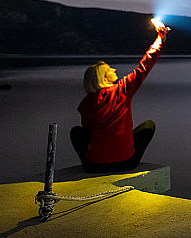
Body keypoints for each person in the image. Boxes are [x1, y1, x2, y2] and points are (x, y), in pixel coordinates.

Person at [70, 18, 169, 173]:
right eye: (109, 69)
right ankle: (123, 155)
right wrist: (160, 38)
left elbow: (88, 132)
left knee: (77, 132)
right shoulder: (121, 90)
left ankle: (88, 161)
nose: (114, 70)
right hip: (125, 162)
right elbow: (145, 65)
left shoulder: (86, 103)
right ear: (103, 77)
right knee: (149, 125)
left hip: (94, 165)